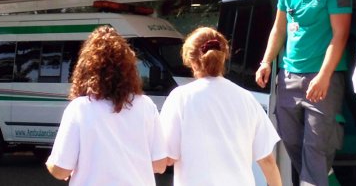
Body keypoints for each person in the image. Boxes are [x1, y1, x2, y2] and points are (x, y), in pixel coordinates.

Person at [255, 0, 352, 186]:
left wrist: (324, 76)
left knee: (315, 146)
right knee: (291, 140)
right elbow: (279, 29)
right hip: (289, 75)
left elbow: (340, 36)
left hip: (323, 76)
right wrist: (266, 61)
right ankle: (325, 177)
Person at [46, 25, 168, 185]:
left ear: (86, 69)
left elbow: (61, 170)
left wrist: (50, 162)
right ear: (130, 69)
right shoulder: (146, 106)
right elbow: (159, 165)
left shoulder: (79, 108)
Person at [160, 27, 282, 186]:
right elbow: (267, 159)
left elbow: (167, 158)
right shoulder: (247, 98)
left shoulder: (180, 98)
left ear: (190, 60)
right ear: (224, 56)